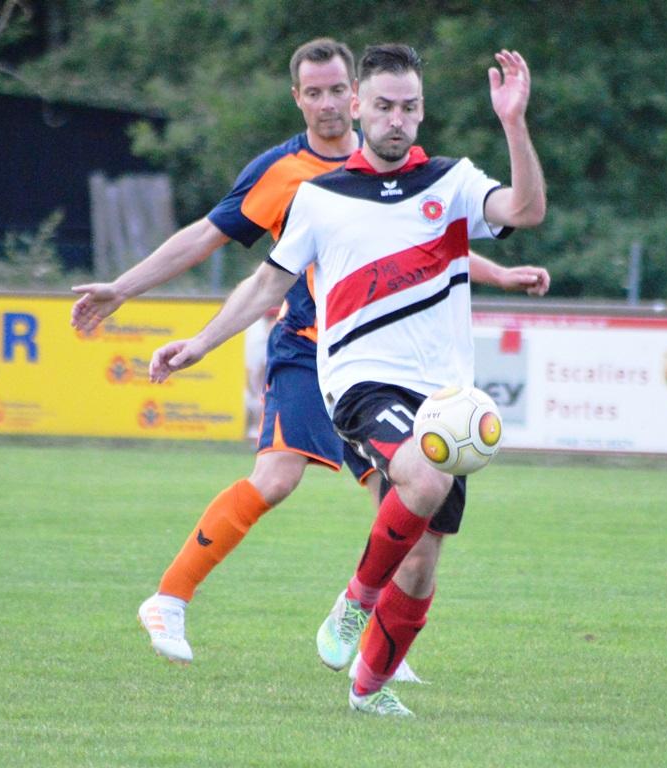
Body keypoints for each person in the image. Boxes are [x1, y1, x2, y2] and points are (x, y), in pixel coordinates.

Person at [71, 38, 550, 666]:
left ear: (355, 97)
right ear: (299, 98)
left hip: (396, 367)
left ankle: (377, 655)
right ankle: (171, 597)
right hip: (310, 346)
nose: (328, 104)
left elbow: (421, 242)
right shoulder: (286, 174)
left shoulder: (405, 161)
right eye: (314, 93)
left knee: (407, 505)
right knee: (278, 477)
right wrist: (128, 290)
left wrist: (497, 273)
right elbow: (208, 240)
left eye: (336, 90)